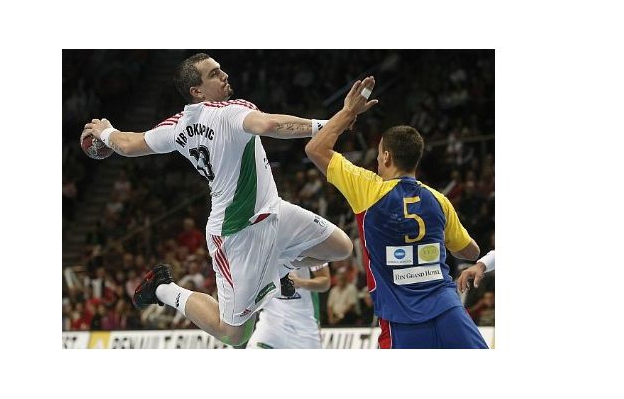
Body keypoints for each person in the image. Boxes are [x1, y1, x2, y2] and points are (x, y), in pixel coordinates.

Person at [79, 53, 353, 346]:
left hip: (273, 210)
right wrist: (331, 124)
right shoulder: (230, 112)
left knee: (341, 248)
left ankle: (278, 267)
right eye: (214, 74)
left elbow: (129, 144)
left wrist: (106, 132)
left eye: (220, 70)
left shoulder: (177, 125)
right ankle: (163, 288)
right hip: (237, 232)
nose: (224, 75)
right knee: (234, 334)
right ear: (196, 91)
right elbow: (270, 125)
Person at [304, 76, 488, 349]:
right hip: (449, 312)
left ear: (387, 157)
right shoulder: (439, 200)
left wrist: (349, 111)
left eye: (379, 154)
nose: (377, 159)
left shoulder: (367, 189)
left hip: (401, 322)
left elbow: (315, 148)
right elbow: (471, 252)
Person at [247, 262, 330, 349]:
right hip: (270, 325)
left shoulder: (310, 253)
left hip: (304, 329)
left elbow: (325, 282)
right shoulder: (260, 255)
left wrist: (300, 282)